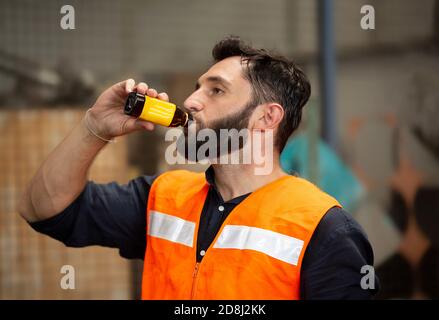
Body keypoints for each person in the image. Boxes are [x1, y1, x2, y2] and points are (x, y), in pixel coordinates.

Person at [18, 36, 378, 299]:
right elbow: (41, 209)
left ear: (267, 117)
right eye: (197, 88)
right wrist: (93, 128)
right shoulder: (163, 198)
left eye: (216, 91)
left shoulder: (325, 230)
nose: (190, 101)